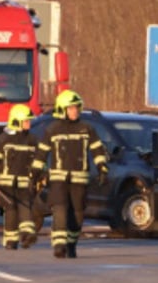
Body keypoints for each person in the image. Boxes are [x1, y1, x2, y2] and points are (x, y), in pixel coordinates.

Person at [32, 90, 109, 259]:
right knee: (60, 210)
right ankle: (59, 246)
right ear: (62, 109)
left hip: (79, 180)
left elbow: (97, 149)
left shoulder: (86, 128)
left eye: (77, 108)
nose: (75, 111)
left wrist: (102, 167)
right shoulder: (52, 129)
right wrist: (36, 173)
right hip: (58, 180)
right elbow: (41, 153)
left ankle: (71, 244)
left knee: (77, 215)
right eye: (71, 108)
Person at [0, 104, 38, 250]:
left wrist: (41, 175)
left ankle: (27, 234)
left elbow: (38, 160)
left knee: (25, 206)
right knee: (11, 210)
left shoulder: (32, 139)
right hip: (6, 182)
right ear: (16, 121)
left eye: (29, 121)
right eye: (26, 121)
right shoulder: (3, 139)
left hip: (24, 182)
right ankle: (10, 240)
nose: (29, 124)